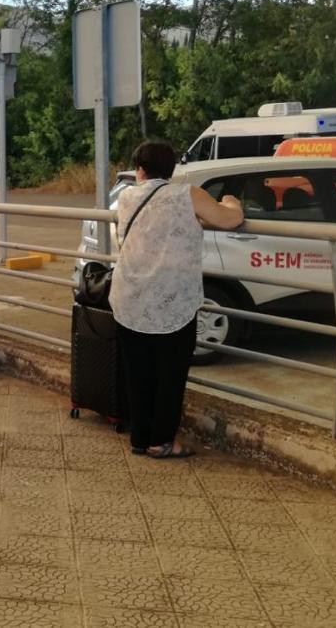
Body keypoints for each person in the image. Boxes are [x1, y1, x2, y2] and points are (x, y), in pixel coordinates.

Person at [110, 141, 244, 459]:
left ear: (139, 169)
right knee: (169, 375)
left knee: (138, 373)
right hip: (172, 302)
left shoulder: (126, 197)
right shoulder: (187, 195)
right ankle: (162, 441)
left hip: (129, 297)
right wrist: (232, 201)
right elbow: (229, 220)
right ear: (172, 170)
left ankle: (140, 439)